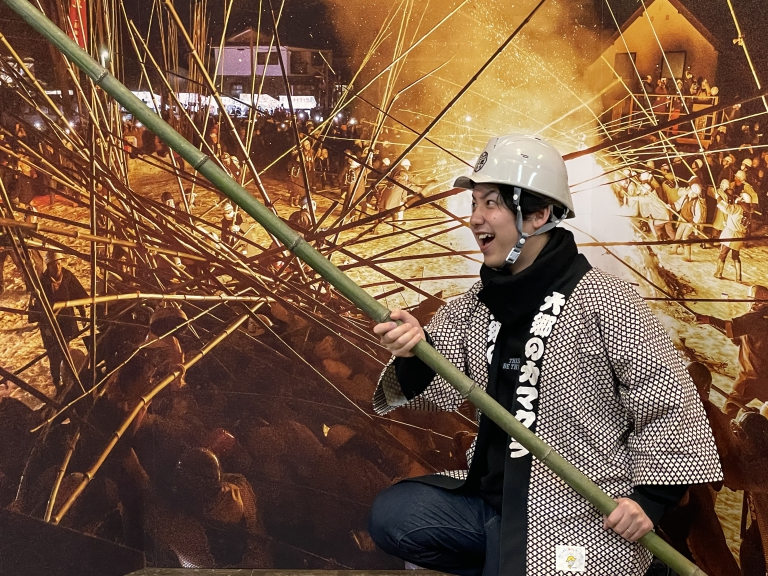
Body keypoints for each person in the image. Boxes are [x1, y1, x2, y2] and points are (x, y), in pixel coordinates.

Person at [368, 134, 722, 576]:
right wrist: (413, 350)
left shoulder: (607, 300)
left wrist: (648, 501)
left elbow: (670, 403)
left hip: (576, 511)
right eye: (474, 203)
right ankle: (504, 555)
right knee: (395, 516)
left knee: (537, 560)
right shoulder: (476, 302)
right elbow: (437, 386)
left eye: (491, 203)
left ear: (539, 214)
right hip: (493, 499)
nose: (474, 218)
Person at [697, 285, 768, 417]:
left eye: (751, 299)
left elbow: (732, 327)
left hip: (751, 376)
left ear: (758, 301)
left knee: (730, 407)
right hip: (766, 378)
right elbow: (739, 338)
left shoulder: (753, 318)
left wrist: (709, 320)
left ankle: (724, 428)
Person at [29, 251, 89, 388]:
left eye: (59, 264)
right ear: (48, 266)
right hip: (49, 323)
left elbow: (78, 294)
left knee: (66, 351)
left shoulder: (67, 276)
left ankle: (69, 381)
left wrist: (82, 312)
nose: (57, 267)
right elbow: (38, 307)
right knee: (54, 355)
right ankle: (57, 382)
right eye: (54, 265)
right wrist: (45, 326)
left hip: (66, 320)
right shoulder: (42, 282)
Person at [714, 184, 751, 281]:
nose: (738, 197)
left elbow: (726, 208)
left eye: (740, 197)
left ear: (743, 200)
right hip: (739, 237)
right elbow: (737, 220)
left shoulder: (737, 208)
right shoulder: (748, 211)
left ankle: (718, 273)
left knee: (722, 254)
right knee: (736, 256)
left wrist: (718, 198)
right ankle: (738, 277)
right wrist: (728, 222)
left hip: (730, 235)